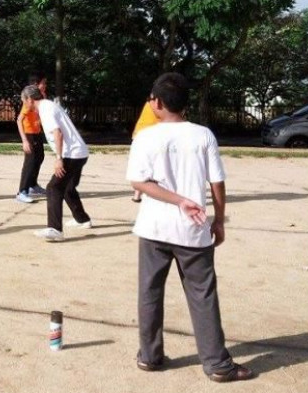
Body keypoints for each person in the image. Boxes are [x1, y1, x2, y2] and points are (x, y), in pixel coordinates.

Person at [126, 72, 253, 383]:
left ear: (156, 102)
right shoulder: (202, 135)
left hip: (153, 228)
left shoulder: (146, 136)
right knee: (202, 294)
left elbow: (138, 182)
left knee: (150, 292)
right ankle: (217, 364)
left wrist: (174, 199)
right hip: (192, 230)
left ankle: (150, 356)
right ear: (184, 103)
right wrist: (218, 219)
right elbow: (217, 182)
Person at [32, 75, 92, 241]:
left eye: (24, 101)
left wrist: (58, 158)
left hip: (71, 154)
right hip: (80, 153)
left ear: (30, 100)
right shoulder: (49, 105)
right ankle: (83, 219)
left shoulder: (45, 109)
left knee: (53, 188)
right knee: (67, 188)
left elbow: (57, 133)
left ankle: (55, 229)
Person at [15, 85, 46, 203]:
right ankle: (22, 192)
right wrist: (25, 141)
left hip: (37, 133)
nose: (45, 86)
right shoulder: (28, 101)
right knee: (30, 162)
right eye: (44, 83)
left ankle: (33, 185)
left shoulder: (39, 100)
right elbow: (19, 120)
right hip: (29, 134)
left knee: (40, 157)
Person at [131, 100, 160, 202]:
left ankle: (137, 195)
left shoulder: (149, 103)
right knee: (155, 166)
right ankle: (152, 193)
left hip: (139, 135)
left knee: (142, 166)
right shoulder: (162, 104)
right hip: (152, 137)